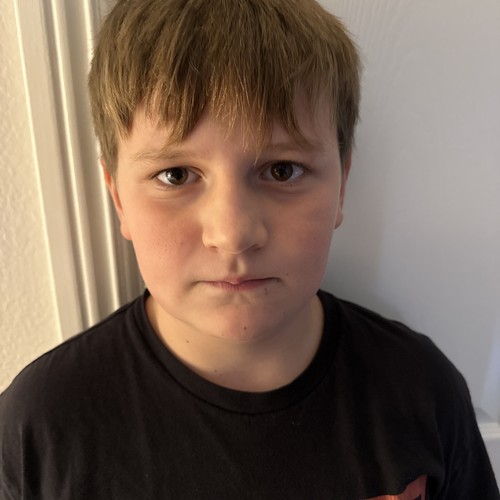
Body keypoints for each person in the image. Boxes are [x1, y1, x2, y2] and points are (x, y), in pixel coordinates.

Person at [1, 0, 498, 498]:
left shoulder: (423, 390)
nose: (233, 234)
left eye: (282, 170)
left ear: (342, 187)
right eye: (175, 175)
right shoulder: (39, 428)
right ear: (118, 199)